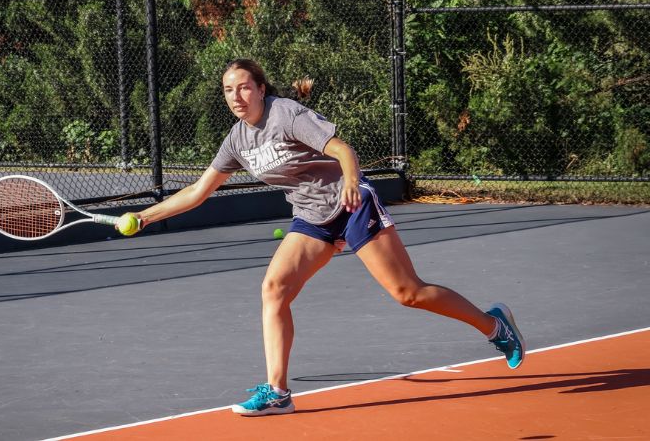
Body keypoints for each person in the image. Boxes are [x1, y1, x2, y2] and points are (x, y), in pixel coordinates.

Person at [123, 58, 525, 416]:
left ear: (260, 89)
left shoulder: (286, 114)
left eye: (244, 87)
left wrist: (351, 182)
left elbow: (343, 150)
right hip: (312, 218)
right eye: (229, 90)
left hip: (352, 204)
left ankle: (494, 326)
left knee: (408, 293)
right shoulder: (237, 141)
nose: (236, 96)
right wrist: (144, 216)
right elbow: (198, 192)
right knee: (274, 289)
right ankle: (278, 393)